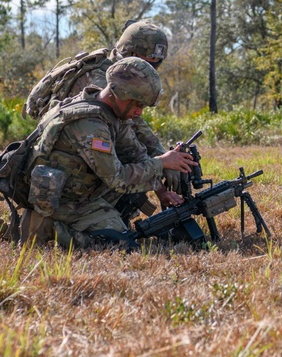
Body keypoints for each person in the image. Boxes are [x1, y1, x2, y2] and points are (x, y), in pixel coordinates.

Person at [19, 56, 194, 249]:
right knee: (118, 244)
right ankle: (48, 228)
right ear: (118, 93)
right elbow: (117, 178)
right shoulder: (90, 125)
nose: (139, 113)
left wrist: (161, 191)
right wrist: (162, 163)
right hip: (63, 202)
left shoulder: (110, 113)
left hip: (83, 191)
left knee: (133, 198)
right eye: (137, 104)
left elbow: (136, 154)